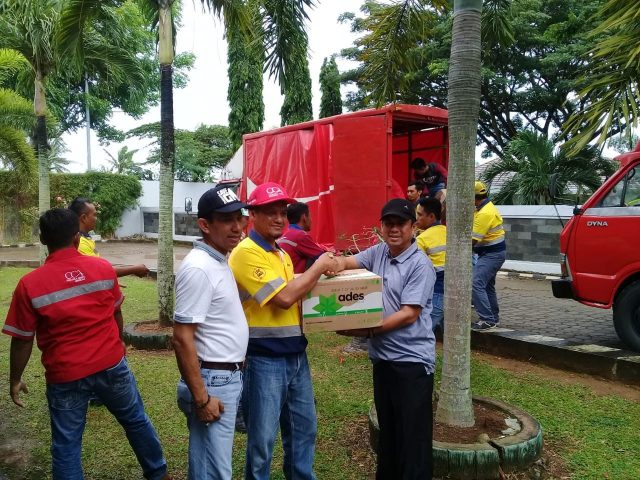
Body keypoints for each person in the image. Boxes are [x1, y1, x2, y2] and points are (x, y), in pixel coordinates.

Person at [2, 208, 170, 480]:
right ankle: (159, 474)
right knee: (136, 421)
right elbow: (116, 312)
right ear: (77, 237)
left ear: (43, 239)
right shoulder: (103, 269)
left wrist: (15, 379)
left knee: (67, 445)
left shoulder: (29, 285)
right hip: (112, 365)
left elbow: (22, 340)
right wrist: (118, 346)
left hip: (65, 376)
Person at [228, 182, 338, 480]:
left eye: (282, 213)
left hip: (296, 356)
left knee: (304, 430)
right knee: (262, 441)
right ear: (252, 215)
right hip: (264, 360)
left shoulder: (282, 255)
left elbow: (297, 299)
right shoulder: (245, 253)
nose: (279, 218)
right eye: (270, 212)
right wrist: (318, 266)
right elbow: (284, 298)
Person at [335, 198, 436, 480]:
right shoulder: (379, 252)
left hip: (411, 363)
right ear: (381, 226)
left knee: (413, 439)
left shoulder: (420, 264)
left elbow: (408, 314)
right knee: (389, 434)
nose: (394, 229)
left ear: (413, 227)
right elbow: (349, 261)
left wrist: (365, 331)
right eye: (388, 223)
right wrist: (330, 263)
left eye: (400, 224)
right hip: (383, 360)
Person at [172, 185, 249, 480]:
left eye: (239, 217)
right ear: (205, 225)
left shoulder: (219, 259)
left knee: (214, 465)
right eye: (226, 219)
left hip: (225, 376)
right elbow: (181, 338)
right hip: (213, 380)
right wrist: (202, 398)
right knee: (214, 470)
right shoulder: (199, 268)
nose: (237, 226)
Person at [68, 197, 149, 277]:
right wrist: (134, 269)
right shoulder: (81, 243)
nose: (96, 218)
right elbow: (98, 270)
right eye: (95, 215)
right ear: (84, 218)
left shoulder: (83, 238)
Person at [471, 181, 506, 331]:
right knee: (487, 286)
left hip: (492, 255)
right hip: (492, 253)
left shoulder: (484, 213)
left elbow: (472, 240)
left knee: (475, 283)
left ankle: (487, 319)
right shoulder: (484, 208)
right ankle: (493, 318)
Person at [416, 197, 446, 333]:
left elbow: (416, 268)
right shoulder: (449, 231)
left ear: (432, 216)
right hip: (453, 291)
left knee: (423, 330)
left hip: (437, 291)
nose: (417, 218)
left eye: (420, 214)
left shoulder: (422, 239)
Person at [277, 201, 328, 274]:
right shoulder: (300, 235)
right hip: (295, 281)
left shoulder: (283, 235)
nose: (311, 220)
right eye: (310, 216)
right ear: (304, 217)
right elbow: (323, 257)